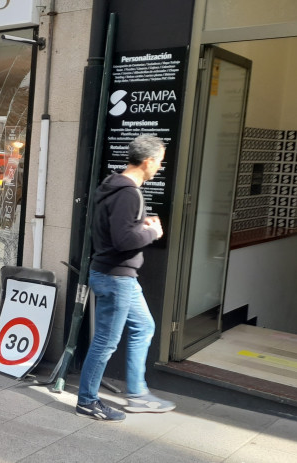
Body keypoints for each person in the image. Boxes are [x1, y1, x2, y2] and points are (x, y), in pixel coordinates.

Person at [75, 134, 175, 422]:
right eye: (159, 162)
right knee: (106, 341)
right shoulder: (128, 193)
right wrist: (152, 232)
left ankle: (138, 393)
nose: (159, 168)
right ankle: (87, 401)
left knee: (144, 326)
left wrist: (139, 226)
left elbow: (115, 230)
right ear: (148, 161)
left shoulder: (113, 186)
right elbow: (122, 240)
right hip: (116, 277)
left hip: (117, 276)